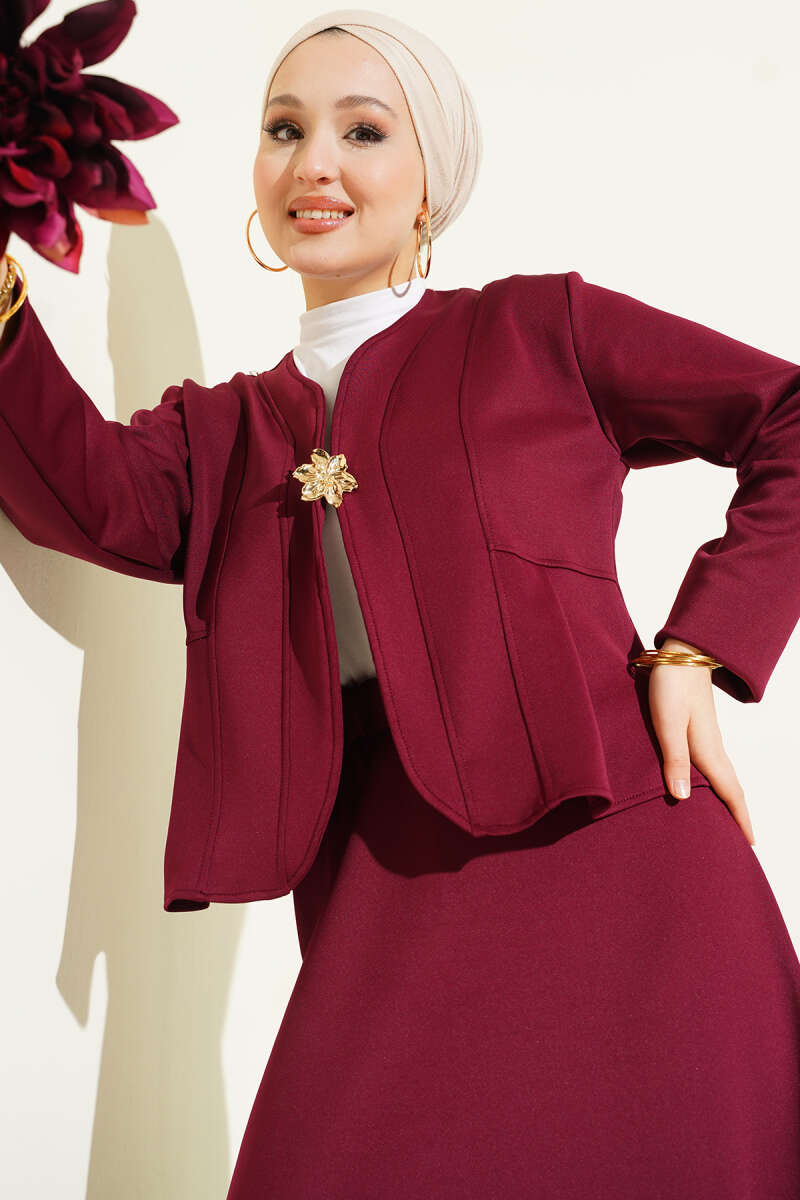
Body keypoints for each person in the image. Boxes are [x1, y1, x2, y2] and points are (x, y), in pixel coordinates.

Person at [2, 8, 800, 1197]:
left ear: (431, 181)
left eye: (363, 131)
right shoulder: (217, 433)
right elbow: (78, 492)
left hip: (629, 871)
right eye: (284, 129)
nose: (313, 163)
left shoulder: (538, 330)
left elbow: (787, 416)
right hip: (380, 882)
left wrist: (701, 647)